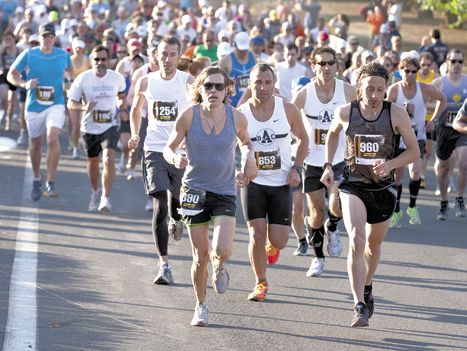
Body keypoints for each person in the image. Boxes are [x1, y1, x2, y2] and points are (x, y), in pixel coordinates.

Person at [321, 62, 419, 327]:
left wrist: (390, 164)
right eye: (369, 89)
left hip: (383, 187)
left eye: (380, 89)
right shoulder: (345, 112)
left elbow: (413, 152)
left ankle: (367, 285)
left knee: (373, 247)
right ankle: (358, 305)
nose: (375, 95)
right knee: (356, 239)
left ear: (386, 89)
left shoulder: (396, 114)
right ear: (359, 89)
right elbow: (332, 135)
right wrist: (328, 164)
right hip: (353, 184)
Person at [163, 65, 257, 327]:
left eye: (219, 86)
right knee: (199, 255)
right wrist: (175, 157)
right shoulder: (188, 116)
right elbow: (169, 148)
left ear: (227, 90)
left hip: (225, 190)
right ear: (200, 89)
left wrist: (248, 159)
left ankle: (220, 264)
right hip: (194, 191)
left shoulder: (237, 117)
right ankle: (201, 306)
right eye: (208, 86)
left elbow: (246, 143)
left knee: (222, 249)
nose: (213, 91)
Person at [238, 63, 308, 301]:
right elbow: (232, 144)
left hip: (281, 183)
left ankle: (273, 245)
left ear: (274, 84)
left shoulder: (287, 109)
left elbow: (304, 139)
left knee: (278, 239)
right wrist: (239, 169)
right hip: (253, 182)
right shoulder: (242, 113)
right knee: (256, 234)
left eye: (268, 82)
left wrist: (297, 168)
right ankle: (260, 283)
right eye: (258, 82)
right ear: (250, 83)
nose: (263, 87)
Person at [128, 36, 194, 286]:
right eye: (163, 54)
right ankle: (164, 265)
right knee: (160, 204)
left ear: (179, 57)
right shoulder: (146, 81)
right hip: (154, 149)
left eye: (172, 54)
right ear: (155, 55)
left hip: (179, 151)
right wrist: (135, 133)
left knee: (176, 204)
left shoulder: (187, 82)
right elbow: (136, 111)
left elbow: (196, 113)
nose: (167, 59)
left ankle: (178, 219)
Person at [292, 47, 357, 277]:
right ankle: (318, 258)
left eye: (331, 63)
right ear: (314, 66)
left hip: (339, 158)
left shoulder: (348, 91)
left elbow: (367, 111)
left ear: (337, 66)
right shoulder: (305, 93)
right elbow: (289, 116)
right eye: (322, 64)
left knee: (335, 206)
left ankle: (334, 226)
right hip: (312, 161)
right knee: (316, 212)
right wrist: (295, 141)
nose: (327, 68)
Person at [8, 23, 72, 201]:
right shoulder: (29, 54)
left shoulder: (63, 55)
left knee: (52, 138)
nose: (48, 39)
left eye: (51, 36)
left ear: (55, 37)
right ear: (40, 37)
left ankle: (50, 181)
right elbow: (11, 74)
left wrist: (69, 83)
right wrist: (24, 84)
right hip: (34, 105)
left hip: (56, 103)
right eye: (45, 36)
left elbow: (69, 73)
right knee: (35, 144)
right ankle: (37, 178)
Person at [387, 56, 446, 227]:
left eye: (414, 71)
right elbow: (384, 111)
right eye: (407, 71)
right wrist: (401, 111)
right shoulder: (394, 90)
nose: (410, 74)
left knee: (415, 173)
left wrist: (433, 120)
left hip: (417, 137)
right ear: (401, 71)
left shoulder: (425, 88)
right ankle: (397, 210)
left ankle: (412, 207)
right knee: (397, 177)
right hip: (398, 139)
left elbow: (442, 100)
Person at [67, 46, 126, 212]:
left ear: (108, 60)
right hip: (90, 127)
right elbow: (71, 103)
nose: (100, 62)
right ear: (91, 60)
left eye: (103, 59)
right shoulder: (83, 78)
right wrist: (84, 108)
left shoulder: (116, 78)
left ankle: (105, 198)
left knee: (109, 158)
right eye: (96, 59)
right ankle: (95, 191)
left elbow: (121, 97)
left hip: (110, 124)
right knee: (93, 163)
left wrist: (121, 108)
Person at [432, 49, 467, 219]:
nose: (457, 65)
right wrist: (439, 110)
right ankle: (444, 202)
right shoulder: (439, 83)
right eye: (453, 61)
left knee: (464, 163)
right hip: (444, 128)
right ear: (447, 62)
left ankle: (459, 198)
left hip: (462, 129)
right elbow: (426, 103)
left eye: (460, 61)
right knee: (444, 168)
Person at [416, 52, 438, 189]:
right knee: (418, 150)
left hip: (429, 119)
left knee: (427, 151)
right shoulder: (414, 76)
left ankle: (421, 175)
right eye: (423, 64)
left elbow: (436, 102)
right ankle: (420, 176)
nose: (425, 67)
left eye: (428, 65)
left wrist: (426, 103)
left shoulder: (435, 78)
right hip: (416, 119)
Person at [218, 31, 256, 106]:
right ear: (234, 45)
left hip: (251, 104)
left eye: (245, 49)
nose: (243, 51)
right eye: (241, 49)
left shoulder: (253, 57)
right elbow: (218, 83)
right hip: (232, 104)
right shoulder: (226, 60)